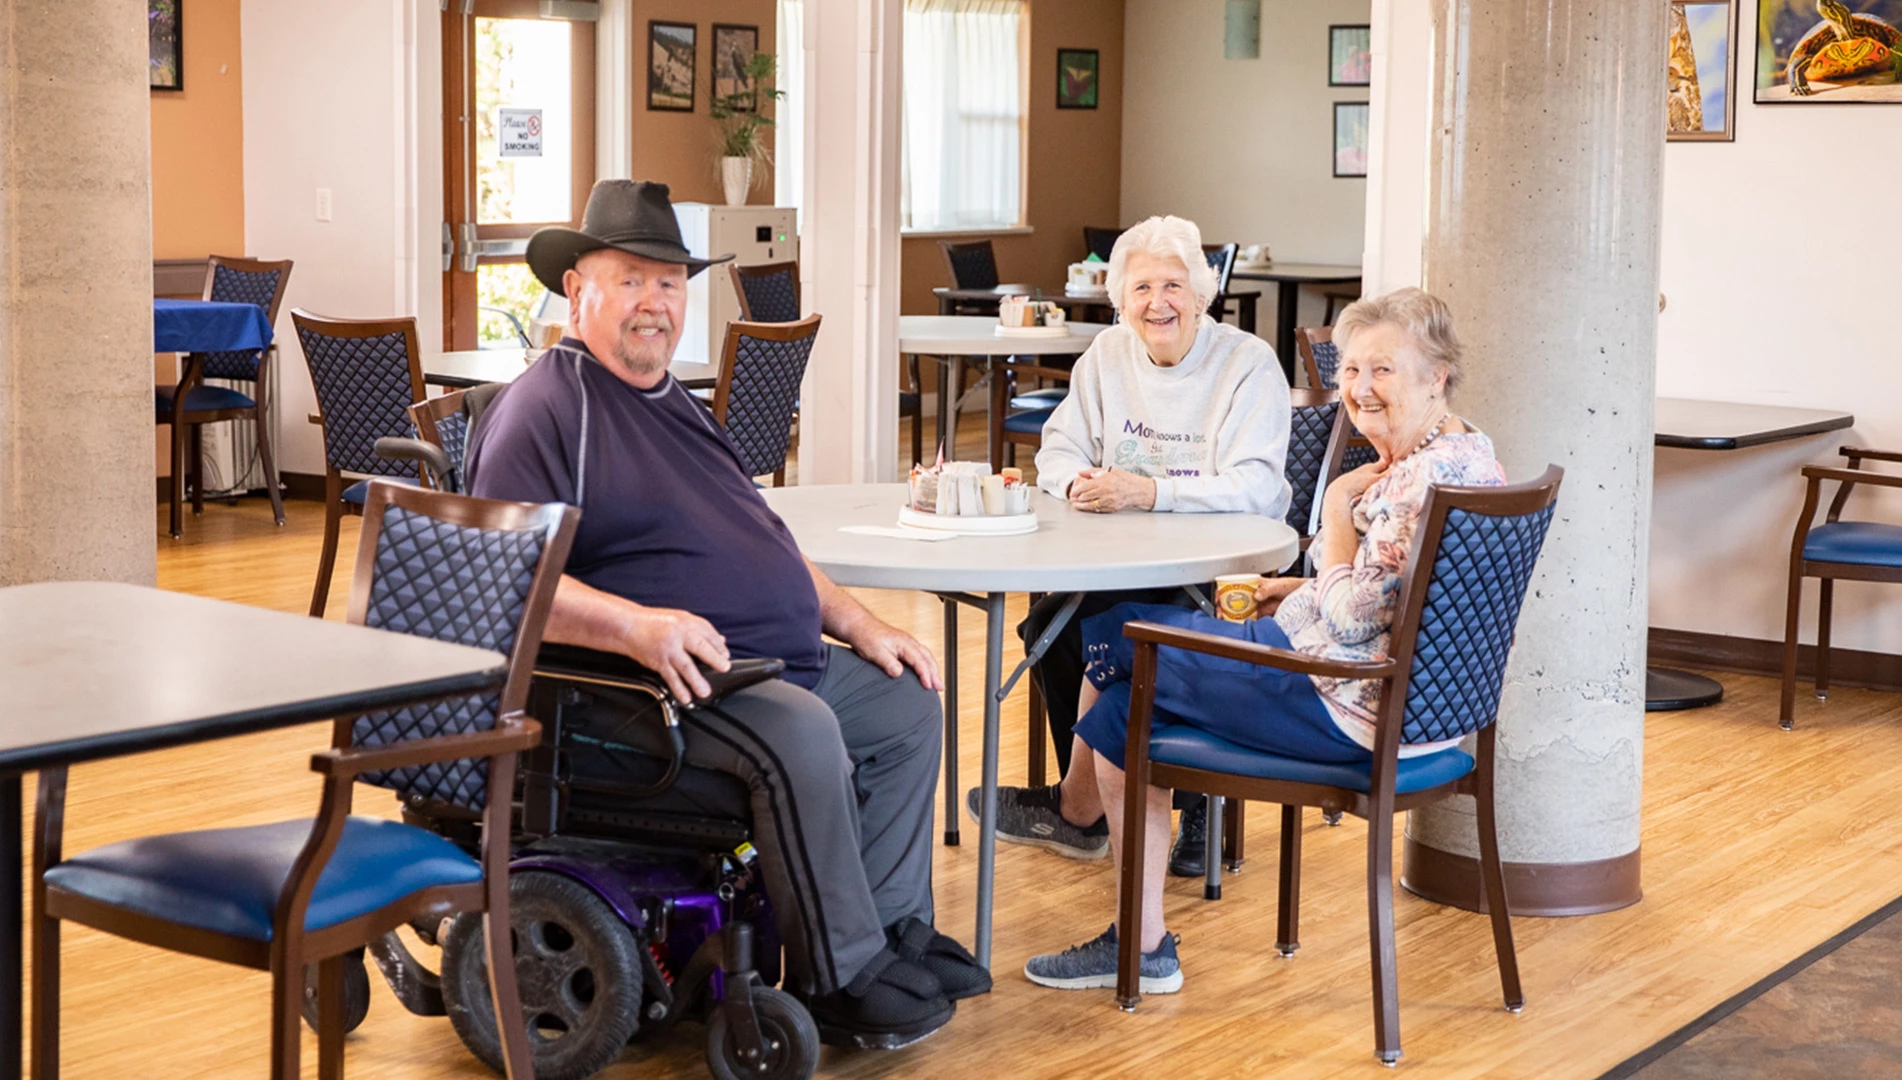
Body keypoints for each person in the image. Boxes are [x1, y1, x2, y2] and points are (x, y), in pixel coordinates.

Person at [466, 179, 985, 1049]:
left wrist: (858, 622)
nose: (655, 303)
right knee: (805, 732)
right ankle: (840, 974)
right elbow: (507, 582)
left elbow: (764, 540)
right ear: (576, 288)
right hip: (644, 689)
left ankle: (894, 934)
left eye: (670, 283)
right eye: (631, 278)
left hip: (763, 661)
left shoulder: (674, 400)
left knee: (905, 705)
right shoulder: (548, 409)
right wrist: (639, 626)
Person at [1022, 287, 1506, 993]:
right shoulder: (1468, 453)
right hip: (1428, 718)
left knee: (1117, 650)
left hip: (1349, 710)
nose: (1359, 390)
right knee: (1125, 665)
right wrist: (1301, 587)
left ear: (1437, 375)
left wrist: (1337, 510)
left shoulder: (1408, 485)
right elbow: (1388, 602)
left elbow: (1348, 621)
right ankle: (1105, 851)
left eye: (1383, 371)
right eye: (1350, 371)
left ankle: (1129, 917)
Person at [968, 215, 1291, 877]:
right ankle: (1085, 811)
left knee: (1141, 632)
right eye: (1142, 288)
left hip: (1221, 561)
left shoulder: (1245, 364)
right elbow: (1056, 448)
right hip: (1122, 548)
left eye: (1174, 285)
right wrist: (1080, 480)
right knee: (1053, 629)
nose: (1158, 303)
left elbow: (1256, 487)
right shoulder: (1108, 355)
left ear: (1202, 294)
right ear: (1121, 300)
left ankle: (1198, 803)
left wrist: (1147, 492)